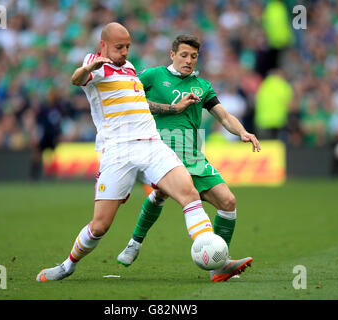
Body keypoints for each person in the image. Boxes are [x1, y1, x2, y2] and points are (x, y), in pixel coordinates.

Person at [36, 23, 219, 282]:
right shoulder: (95, 64)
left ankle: (212, 257)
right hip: (117, 150)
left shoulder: (131, 68)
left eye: (127, 47)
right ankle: (68, 265)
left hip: (151, 143)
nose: (124, 52)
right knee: (100, 225)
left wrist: (173, 109)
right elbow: (77, 79)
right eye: (118, 47)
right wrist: (87, 69)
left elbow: (141, 104)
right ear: (104, 46)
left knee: (188, 193)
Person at [117, 34, 261, 282]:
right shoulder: (153, 76)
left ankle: (219, 264)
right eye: (184, 55)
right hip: (161, 153)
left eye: (193, 56)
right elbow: (129, 99)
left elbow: (224, 117)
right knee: (162, 192)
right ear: (172, 55)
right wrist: (172, 108)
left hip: (193, 155)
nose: (188, 60)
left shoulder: (202, 87)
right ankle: (135, 242)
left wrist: (243, 132)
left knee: (228, 202)